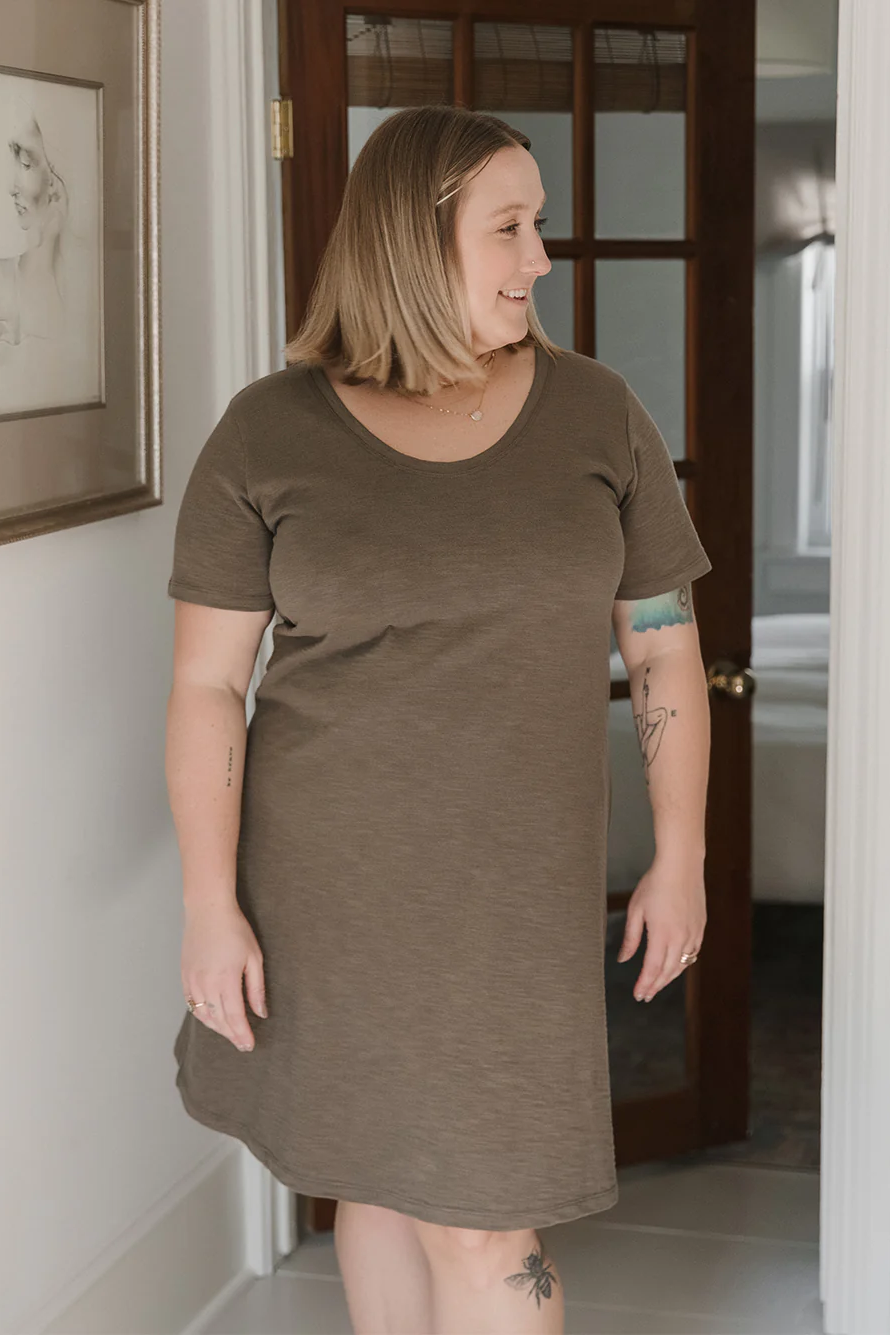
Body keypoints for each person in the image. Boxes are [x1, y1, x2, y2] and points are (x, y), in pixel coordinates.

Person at [165, 104, 711, 1335]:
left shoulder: (598, 415)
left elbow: (664, 645)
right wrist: (210, 901)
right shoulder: (268, 432)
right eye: (508, 229)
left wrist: (676, 858)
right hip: (326, 891)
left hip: (512, 899)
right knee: (378, 1170)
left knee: (485, 1217)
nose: (539, 260)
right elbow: (207, 687)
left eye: (539, 225)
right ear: (412, 249)